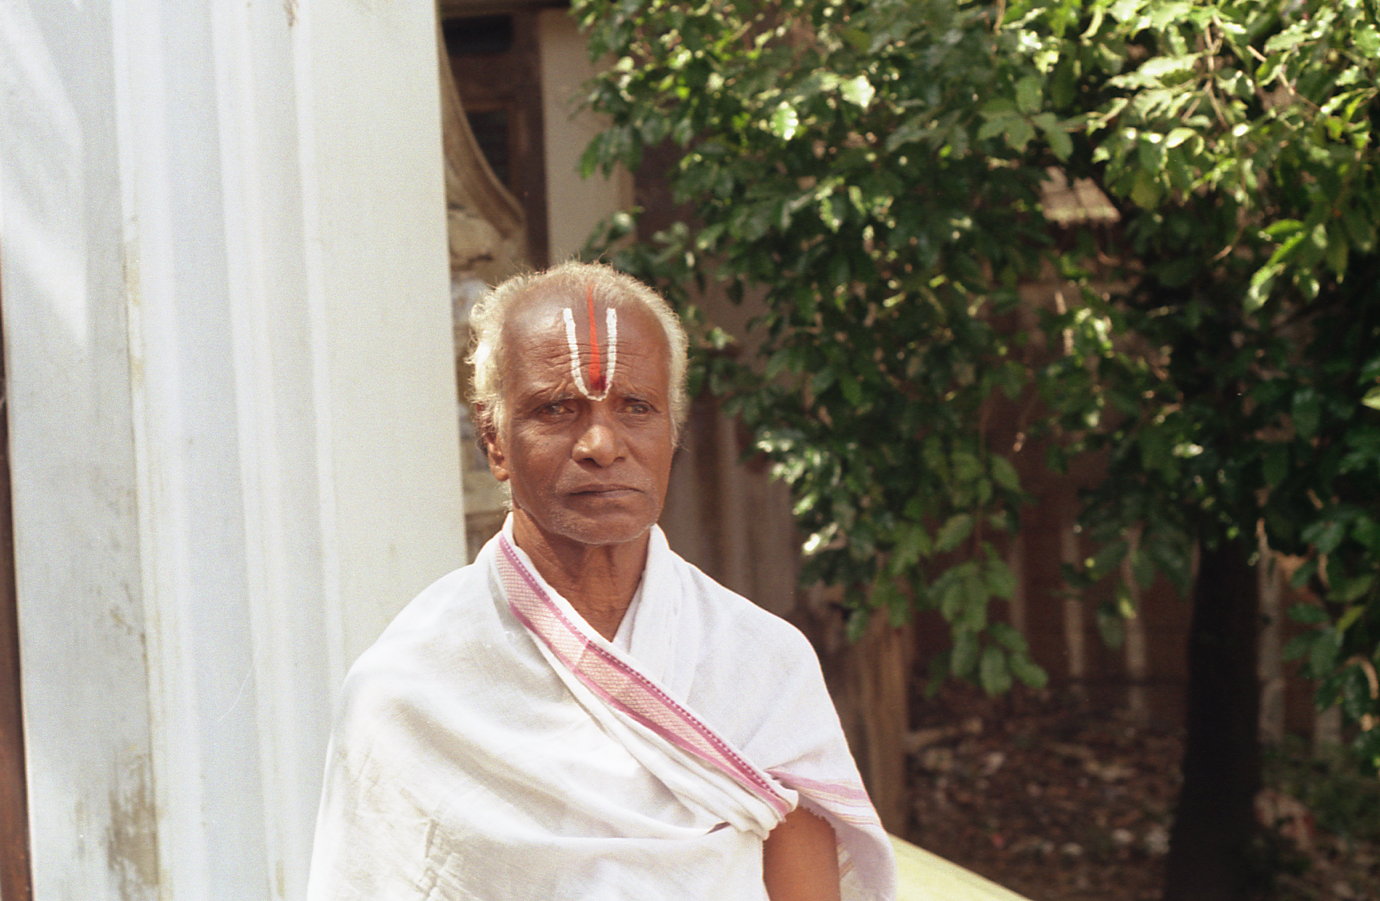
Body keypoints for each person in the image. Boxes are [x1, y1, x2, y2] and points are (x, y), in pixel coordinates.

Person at [307, 262, 896, 900]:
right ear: (494, 441)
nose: (600, 444)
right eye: (556, 409)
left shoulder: (761, 662)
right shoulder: (410, 686)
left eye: (636, 407)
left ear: (673, 432)